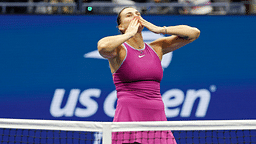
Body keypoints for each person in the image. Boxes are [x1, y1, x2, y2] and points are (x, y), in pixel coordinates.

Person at [97, 7, 200, 144]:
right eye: (129, 15)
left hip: (157, 117)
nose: (135, 16)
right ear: (121, 26)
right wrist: (129, 34)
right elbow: (103, 47)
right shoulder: (119, 50)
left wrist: (159, 29)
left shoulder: (157, 48)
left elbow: (194, 33)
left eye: (138, 14)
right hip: (129, 117)